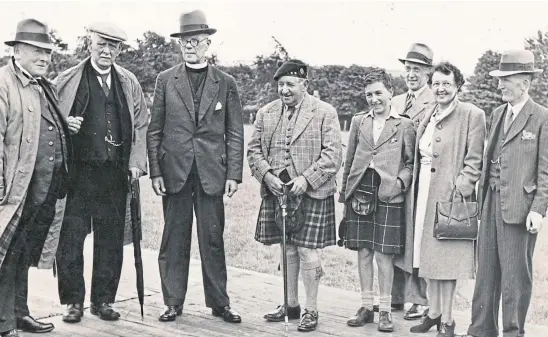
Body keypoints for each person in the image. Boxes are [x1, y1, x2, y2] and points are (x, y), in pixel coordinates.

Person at [147, 10, 244, 324]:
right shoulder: (165, 80)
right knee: (174, 238)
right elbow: (154, 130)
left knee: (212, 239)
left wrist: (233, 174)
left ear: (208, 43)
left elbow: (235, 131)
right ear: (179, 44)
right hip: (174, 172)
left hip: (212, 174)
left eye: (196, 41)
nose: (190, 46)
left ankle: (219, 303)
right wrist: (156, 172)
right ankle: (172, 302)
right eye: (185, 41)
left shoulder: (225, 82)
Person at [54, 22, 148, 323]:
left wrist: (136, 162)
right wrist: (66, 124)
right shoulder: (67, 80)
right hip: (77, 174)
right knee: (70, 238)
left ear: (119, 50)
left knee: (111, 238)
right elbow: (51, 120)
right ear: (89, 44)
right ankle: (73, 302)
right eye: (101, 44)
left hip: (115, 174)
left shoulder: (128, 82)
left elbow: (142, 124)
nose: (107, 50)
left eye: (113, 46)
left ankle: (103, 300)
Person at [248, 59, 343, 332]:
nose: (284, 90)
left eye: (290, 84)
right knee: (287, 246)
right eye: (280, 85)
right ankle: (290, 305)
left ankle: (311, 309)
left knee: (307, 251)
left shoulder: (325, 112)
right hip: (278, 192)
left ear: (305, 84)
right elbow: (254, 151)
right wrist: (267, 176)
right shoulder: (266, 113)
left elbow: (333, 155)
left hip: (312, 192)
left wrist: (307, 179)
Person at [463, 50, 548, 337]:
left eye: (506, 79)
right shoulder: (498, 113)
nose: (500, 85)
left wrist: (538, 208)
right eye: (500, 79)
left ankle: (513, 332)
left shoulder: (541, 118)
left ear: (524, 82)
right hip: (490, 201)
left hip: (521, 209)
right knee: (485, 272)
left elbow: (545, 172)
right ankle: (481, 329)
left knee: (515, 277)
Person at [404, 62, 485, 337]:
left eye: (446, 84)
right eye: (436, 83)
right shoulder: (429, 111)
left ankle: (448, 321)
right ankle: (434, 313)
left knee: (447, 261)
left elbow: (475, 161)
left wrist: (458, 187)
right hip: (424, 191)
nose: (440, 88)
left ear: (458, 86)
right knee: (427, 257)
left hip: (450, 197)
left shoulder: (471, 114)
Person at [0, 19, 70, 337]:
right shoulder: (4, 83)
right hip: (13, 190)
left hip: (38, 189)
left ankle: (19, 313)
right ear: (16, 51)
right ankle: (3, 322)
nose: (45, 57)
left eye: (48, 52)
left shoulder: (41, 84)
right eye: (37, 50)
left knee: (22, 252)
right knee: (6, 253)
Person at [340, 68, 415, 333]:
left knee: (384, 255)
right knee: (363, 251)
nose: (374, 99)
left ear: (391, 92)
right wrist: (344, 194)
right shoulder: (359, 121)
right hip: (360, 191)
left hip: (389, 193)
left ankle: (384, 310)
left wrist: (398, 185)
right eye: (369, 94)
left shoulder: (404, 124)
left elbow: (410, 164)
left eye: (378, 93)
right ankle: (365, 307)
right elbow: (349, 161)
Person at [391, 42, 435, 320]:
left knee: (417, 239)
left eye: (417, 69)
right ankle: (395, 296)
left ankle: (419, 298)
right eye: (408, 68)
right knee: (393, 235)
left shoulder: (435, 100)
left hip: (420, 182)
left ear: (428, 72)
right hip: (394, 180)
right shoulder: (395, 101)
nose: (411, 74)